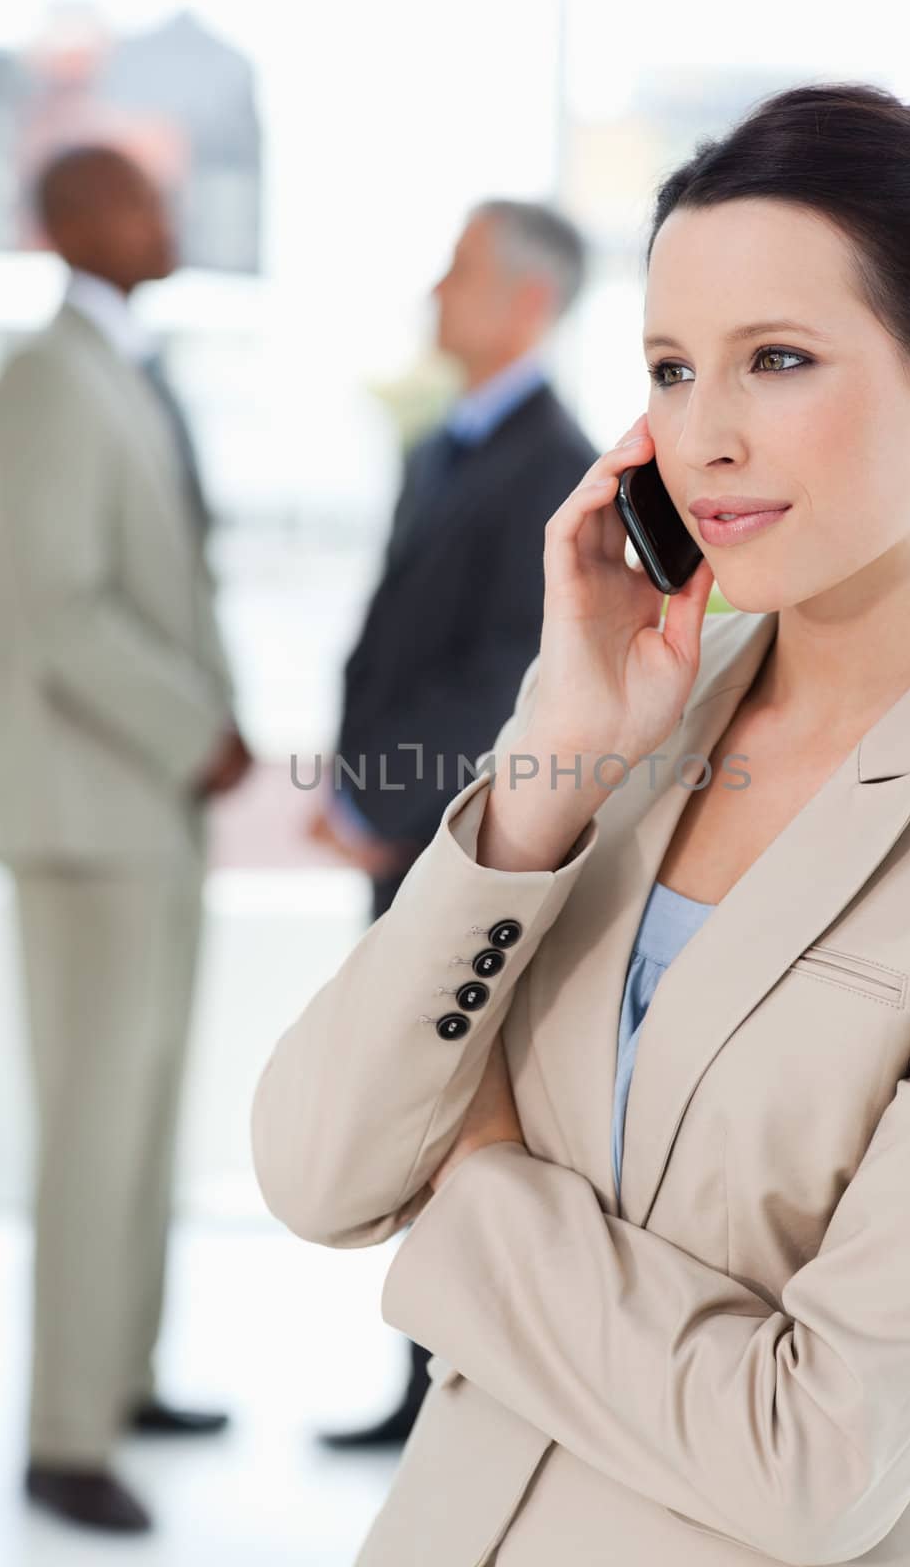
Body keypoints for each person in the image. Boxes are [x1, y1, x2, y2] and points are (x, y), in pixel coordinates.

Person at [250, 81, 910, 1566]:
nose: (704, 436)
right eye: (671, 369)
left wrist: (473, 1187)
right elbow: (314, 1167)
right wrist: (552, 761)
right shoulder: (628, 727)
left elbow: (812, 1462)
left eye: (779, 360)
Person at [0, 144, 252, 1536]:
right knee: (91, 1134)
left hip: (142, 812)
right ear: (71, 220)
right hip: (90, 813)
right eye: (144, 196)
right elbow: (56, 606)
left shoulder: (122, 368)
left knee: (141, 1124)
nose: (171, 212)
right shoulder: (44, 379)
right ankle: (61, 1435)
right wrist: (193, 728)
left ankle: (123, 1376)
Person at [309, 199, 596, 1446]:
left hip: (469, 840)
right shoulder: (443, 446)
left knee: (468, 1112)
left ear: (526, 304)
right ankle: (417, 1391)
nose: (433, 289)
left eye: (461, 270)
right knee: (408, 1104)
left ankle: (457, 1401)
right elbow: (398, 641)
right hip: (406, 835)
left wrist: (380, 793)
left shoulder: (557, 461)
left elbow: (507, 672)